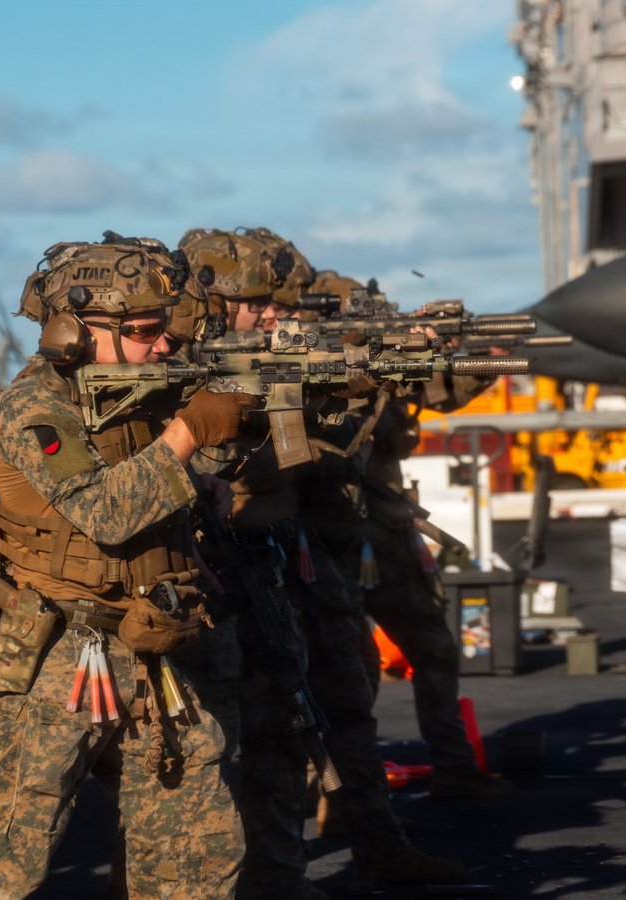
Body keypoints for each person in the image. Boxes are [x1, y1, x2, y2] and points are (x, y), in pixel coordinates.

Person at [0, 237, 255, 899]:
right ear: (72, 330)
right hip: (66, 649)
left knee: (195, 842)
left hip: (148, 642)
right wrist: (187, 435)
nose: (163, 345)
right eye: (143, 332)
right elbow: (105, 512)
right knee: (13, 850)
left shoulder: (125, 403)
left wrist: (199, 474)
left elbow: (145, 481)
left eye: (164, 329)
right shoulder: (32, 410)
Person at [179, 228, 467, 890]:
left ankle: (374, 842)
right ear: (215, 298)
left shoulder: (268, 354)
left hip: (293, 550)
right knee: (252, 730)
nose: (273, 314)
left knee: (345, 685)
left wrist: (364, 370)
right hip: (228, 564)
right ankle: (262, 869)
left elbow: (315, 432)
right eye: (257, 304)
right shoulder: (184, 367)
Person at [303, 271, 513, 800]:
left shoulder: (385, 364)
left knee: (434, 648)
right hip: (333, 533)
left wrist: (477, 354)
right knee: (351, 668)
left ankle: (453, 766)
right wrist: (373, 368)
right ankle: (327, 780)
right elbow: (340, 433)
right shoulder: (312, 369)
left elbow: (441, 391)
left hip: (389, 528)